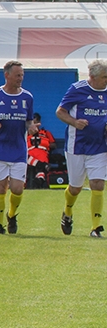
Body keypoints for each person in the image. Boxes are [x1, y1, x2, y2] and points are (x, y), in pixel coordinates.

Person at [0, 60, 36, 234]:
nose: (20, 79)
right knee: (1, 187)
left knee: (17, 188)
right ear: (7, 75)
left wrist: (31, 127)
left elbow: (29, 121)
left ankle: (11, 215)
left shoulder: (27, 97)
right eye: (17, 75)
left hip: (18, 149)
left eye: (22, 75)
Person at [55, 59, 107, 238]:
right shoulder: (77, 89)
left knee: (98, 184)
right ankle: (67, 212)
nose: (106, 80)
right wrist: (75, 122)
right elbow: (60, 111)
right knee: (75, 187)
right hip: (76, 145)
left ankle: (96, 227)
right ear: (92, 77)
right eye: (104, 77)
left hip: (100, 146)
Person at [27, 113, 56, 189]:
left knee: (42, 161)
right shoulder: (25, 133)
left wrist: (43, 143)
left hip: (42, 153)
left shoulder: (46, 133)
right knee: (26, 157)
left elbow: (54, 144)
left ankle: (39, 180)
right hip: (29, 154)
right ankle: (40, 176)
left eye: (36, 122)